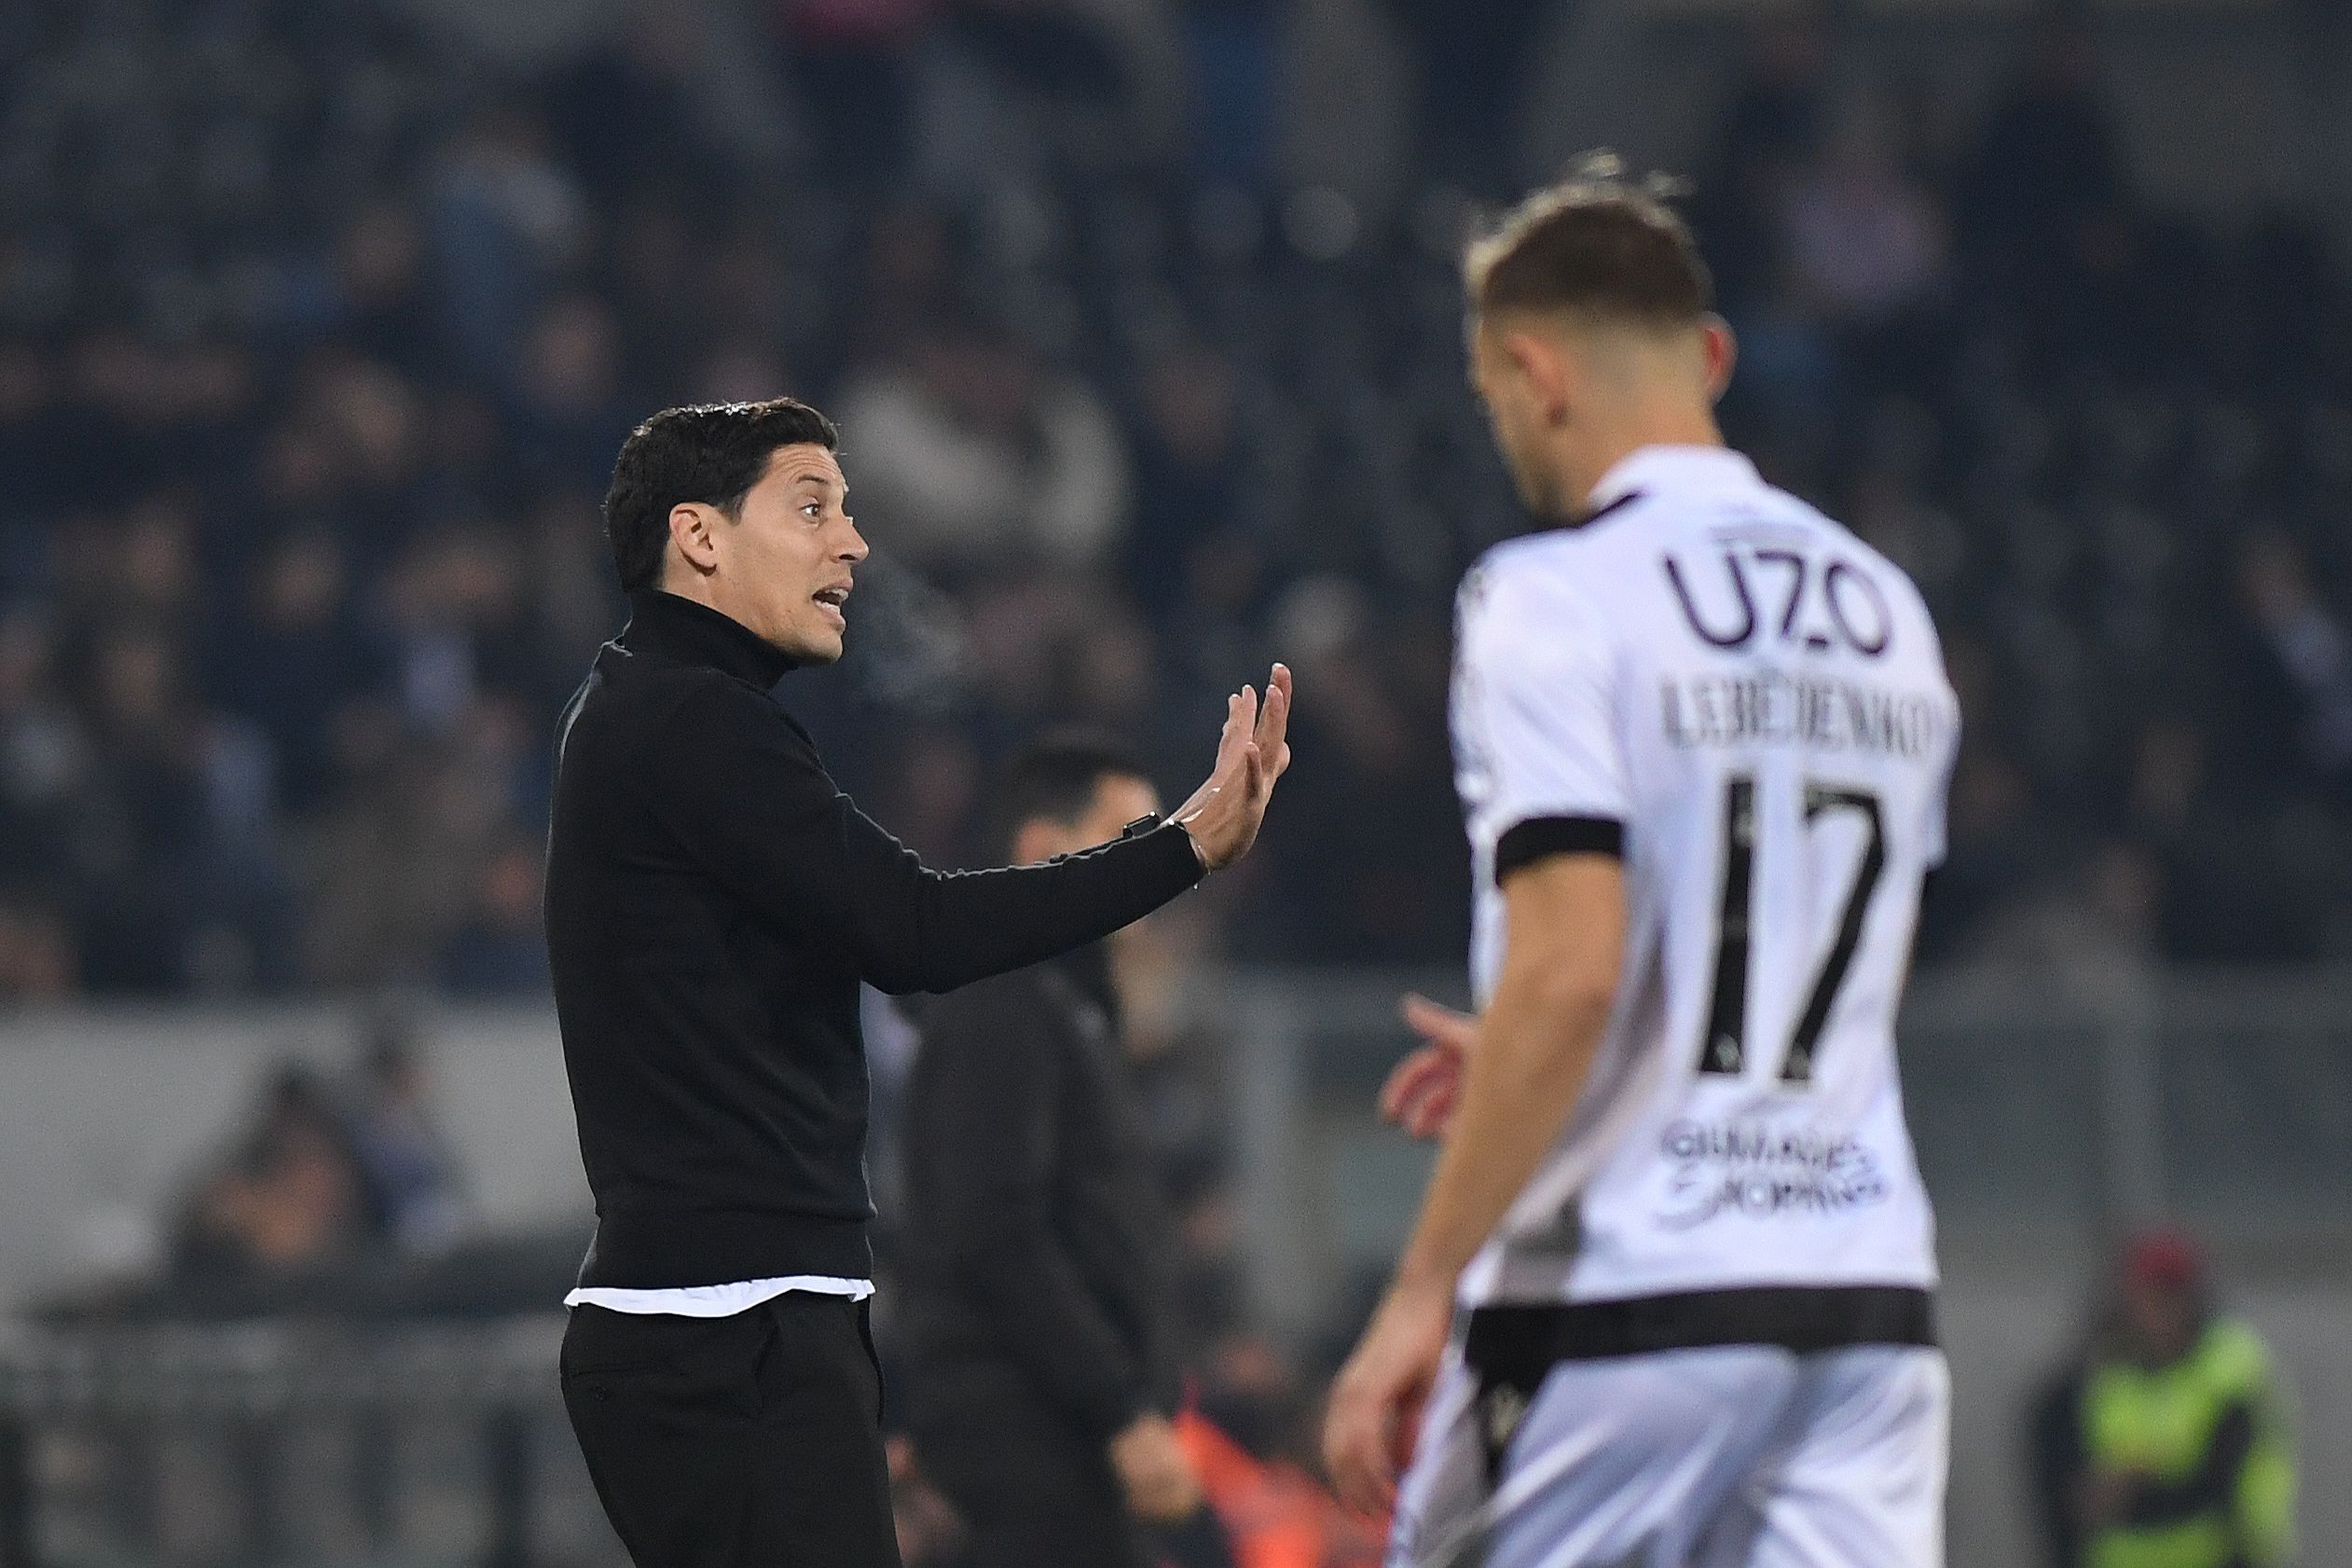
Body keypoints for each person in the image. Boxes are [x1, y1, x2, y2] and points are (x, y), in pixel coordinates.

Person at [1319, 158, 1961, 1568]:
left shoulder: (1549, 598)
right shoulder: (1888, 612)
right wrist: (1558, 1057)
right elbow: (1822, 961)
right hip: (1863, 1301)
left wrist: (1420, 1289)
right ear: (1712, 355)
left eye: (1492, 394)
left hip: (1629, 1296)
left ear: (1533, 372)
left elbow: (1571, 972)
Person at [544, 396, 1291, 1568]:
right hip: (727, 1324)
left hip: (736, 1316)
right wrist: (1180, 847)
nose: (852, 542)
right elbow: (918, 928)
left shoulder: (656, 713)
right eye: (812, 508)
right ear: (698, 534)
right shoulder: (689, 718)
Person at [898, 733, 1223, 1568]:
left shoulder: (1064, 1006)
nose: (1155, 869)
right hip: (1029, 1441)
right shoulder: (1003, 999)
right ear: (1043, 848)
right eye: (1131, 837)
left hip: (1065, 1446)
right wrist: (1120, 1412)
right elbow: (996, 1230)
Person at [2028, 1230, 2295, 1568]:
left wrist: (2131, 1489)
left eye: (2171, 1296)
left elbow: (2223, 1488)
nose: (2159, 1311)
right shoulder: (2096, 1370)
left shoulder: (2231, 1370)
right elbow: (2056, 1470)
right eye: (2148, 1296)